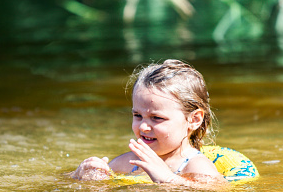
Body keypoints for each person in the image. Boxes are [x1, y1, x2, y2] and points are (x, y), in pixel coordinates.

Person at [71, 59, 227, 185]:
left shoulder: (195, 165)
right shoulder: (129, 162)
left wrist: (170, 179)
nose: (143, 127)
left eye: (157, 118)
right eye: (137, 115)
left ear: (194, 120)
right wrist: (81, 175)